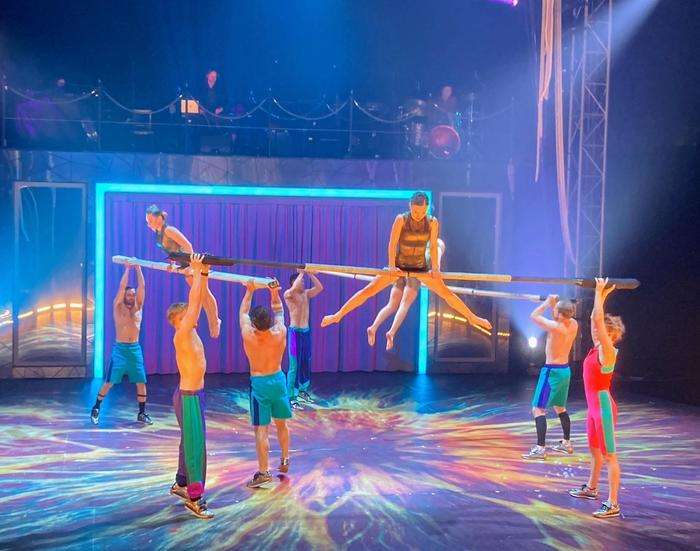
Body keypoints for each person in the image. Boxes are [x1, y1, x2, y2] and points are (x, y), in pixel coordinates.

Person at [321, 191, 491, 332]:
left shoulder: (432, 222)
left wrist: (435, 269)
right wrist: (392, 266)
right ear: (410, 206)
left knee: (446, 293)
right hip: (399, 267)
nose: (419, 215)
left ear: (427, 209)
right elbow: (392, 244)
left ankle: (472, 317)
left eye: (423, 212)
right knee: (369, 290)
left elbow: (432, 247)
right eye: (416, 212)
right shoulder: (401, 219)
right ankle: (338, 315)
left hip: (421, 268)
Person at [569, 278, 625, 519]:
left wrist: (600, 290)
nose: (594, 330)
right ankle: (592, 488)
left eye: (601, 330)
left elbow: (598, 320)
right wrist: (600, 296)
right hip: (593, 409)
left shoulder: (608, 351)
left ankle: (613, 503)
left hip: (603, 409)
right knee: (595, 451)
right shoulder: (596, 347)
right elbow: (595, 318)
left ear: (610, 333)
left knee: (610, 455)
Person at [167, 253, 214, 519]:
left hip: (193, 395)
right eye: (185, 315)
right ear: (177, 320)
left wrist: (202, 273)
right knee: (196, 446)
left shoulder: (191, 330)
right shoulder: (182, 334)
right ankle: (195, 498)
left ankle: (181, 483)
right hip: (188, 397)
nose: (191, 315)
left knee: (189, 440)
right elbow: (195, 303)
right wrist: (196, 270)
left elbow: (200, 298)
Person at [240, 278, 293, 488]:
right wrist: (274, 293)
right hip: (278, 380)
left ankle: (263, 472)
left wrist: (249, 290)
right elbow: (279, 311)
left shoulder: (248, 334)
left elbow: (243, 312)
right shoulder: (280, 332)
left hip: (260, 384)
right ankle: (285, 459)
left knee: (261, 429)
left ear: (254, 323)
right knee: (282, 423)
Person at [145, 204, 221, 338]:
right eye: (147, 221)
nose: (149, 224)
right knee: (201, 294)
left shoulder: (169, 230)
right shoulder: (158, 234)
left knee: (204, 292)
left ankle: (215, 320)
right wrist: (172, 263)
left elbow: (188, 245)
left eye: (150, 220)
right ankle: (213, 320)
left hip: (193, 262)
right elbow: (172, 249)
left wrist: (193, 265)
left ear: (159, 218)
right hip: (185, 264)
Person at [90, 262, 151, 425]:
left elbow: (143, 286)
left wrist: (138, 267)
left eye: (133, 294)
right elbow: (121, 286)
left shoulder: (139, 307)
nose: (131, 296)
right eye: (129, 294)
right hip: (120, 350)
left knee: (141, 381)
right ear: (124, 296)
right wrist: (128, 268)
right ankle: (96, 408)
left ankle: (142, 413)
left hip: (135, 350)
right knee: (109, 382)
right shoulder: (118, 307)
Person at [521, 295, 578, 461]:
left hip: (552, 372)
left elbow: (533, 316)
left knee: (538, 409)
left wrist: (546, 303)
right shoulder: (573, 324)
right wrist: (555, 304)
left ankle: (540, 449)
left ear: (560, 314)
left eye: (556, 310)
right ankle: (566, 443)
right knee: (560, 407)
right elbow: (558, 317)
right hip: (565, 371)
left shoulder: (555, 327)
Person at [367, 238, 445, 351]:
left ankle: (373, 327)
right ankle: (391, 332)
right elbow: (436, 265)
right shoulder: (438, 245)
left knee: (391, 305)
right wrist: (436, 274)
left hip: (402, 269)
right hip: (415, 273)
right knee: (404, 304)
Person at [283, 271, 324, 410]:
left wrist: (310, 274)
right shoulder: (289, 294)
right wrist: (301, 273)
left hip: (306, 332)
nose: (303, 283)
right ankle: (291, 397)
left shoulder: (306, 294)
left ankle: (302, 391)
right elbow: (293, 289)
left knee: (305, 363)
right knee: (294, 366)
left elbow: (320, 288)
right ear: (293, 283)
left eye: (304, 281)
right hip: (295, 333)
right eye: (301, 281)